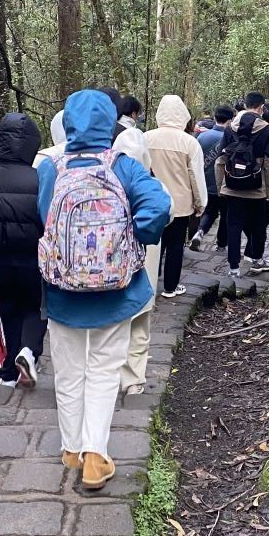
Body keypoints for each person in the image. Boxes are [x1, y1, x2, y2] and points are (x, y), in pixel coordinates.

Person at [38, 89, 170, 491]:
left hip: (63, 292)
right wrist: (131, 238)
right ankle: (95, 456)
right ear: (109, 123)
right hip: (116, 292)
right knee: (103, 371)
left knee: (68, 370)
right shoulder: (122, 166)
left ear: (68, 124)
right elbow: (158, 205)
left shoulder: (51, 168)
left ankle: (71, 448)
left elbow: (41, 218)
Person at [0, 112, 46, 389]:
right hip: (34, 258)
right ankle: (28, 351)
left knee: (6, 311)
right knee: (35, 307)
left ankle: (7, 372)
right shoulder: (41, 178)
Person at [112, 120, 160, 396]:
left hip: (112, 273)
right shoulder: (153, 187)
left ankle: (110, 376)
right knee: (140, 326)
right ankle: (133, 381)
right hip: (144, 273)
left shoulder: (106, 185)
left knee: (111, 327)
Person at [144, 95, 207, 298]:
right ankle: (170, 287)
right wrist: (200, 203)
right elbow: (196, 176)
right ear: (183, 115)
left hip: (151, 201)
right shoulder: (189, 142)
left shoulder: (146, 138)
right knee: (176, 245)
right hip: (180, 204)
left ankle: (149, 284)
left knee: (152, 245)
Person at [219, 90, 269, 282]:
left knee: (233, 226)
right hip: (256, 188)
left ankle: (233, 268)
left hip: (232, 186)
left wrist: (222, 186)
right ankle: (257, 259)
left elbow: (220, 160)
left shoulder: (230, 129)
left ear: (245, 105)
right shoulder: (267, 130)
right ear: (262, 108)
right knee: (258, 226)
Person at [189, 105, 233, 251]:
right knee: (226, 215)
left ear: (215, 118)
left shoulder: (202, 137)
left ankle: (200, 232)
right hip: (224, 183)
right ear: (230, 120)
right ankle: (221, 244)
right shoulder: (230, 137)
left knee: (209, 212)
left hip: (205, 183)